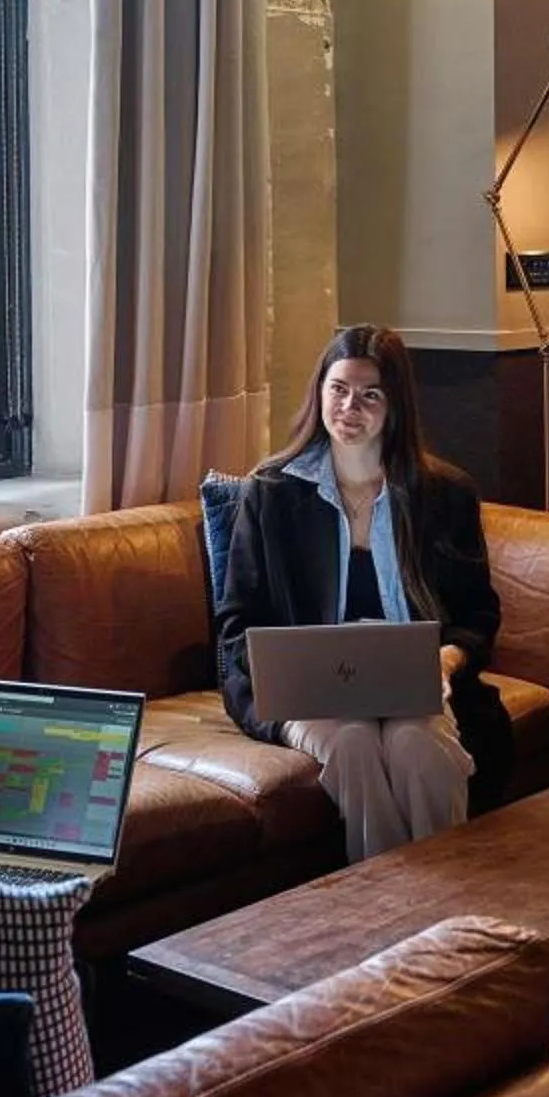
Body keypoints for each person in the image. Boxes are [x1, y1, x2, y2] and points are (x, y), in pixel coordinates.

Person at [214, 325, 509, 861]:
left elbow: (478, 611)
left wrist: (444, 660)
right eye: (339, 389)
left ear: (396, 408)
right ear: (319, 392)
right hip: (304, 693)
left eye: (370, 395)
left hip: (413, 687)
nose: (350, 407)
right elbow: (237, 619)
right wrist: (284, 670)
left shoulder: (443, 496)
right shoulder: (272, 494)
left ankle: (446, 897)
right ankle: (390, 909)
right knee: (351, 745)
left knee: (419, 746)